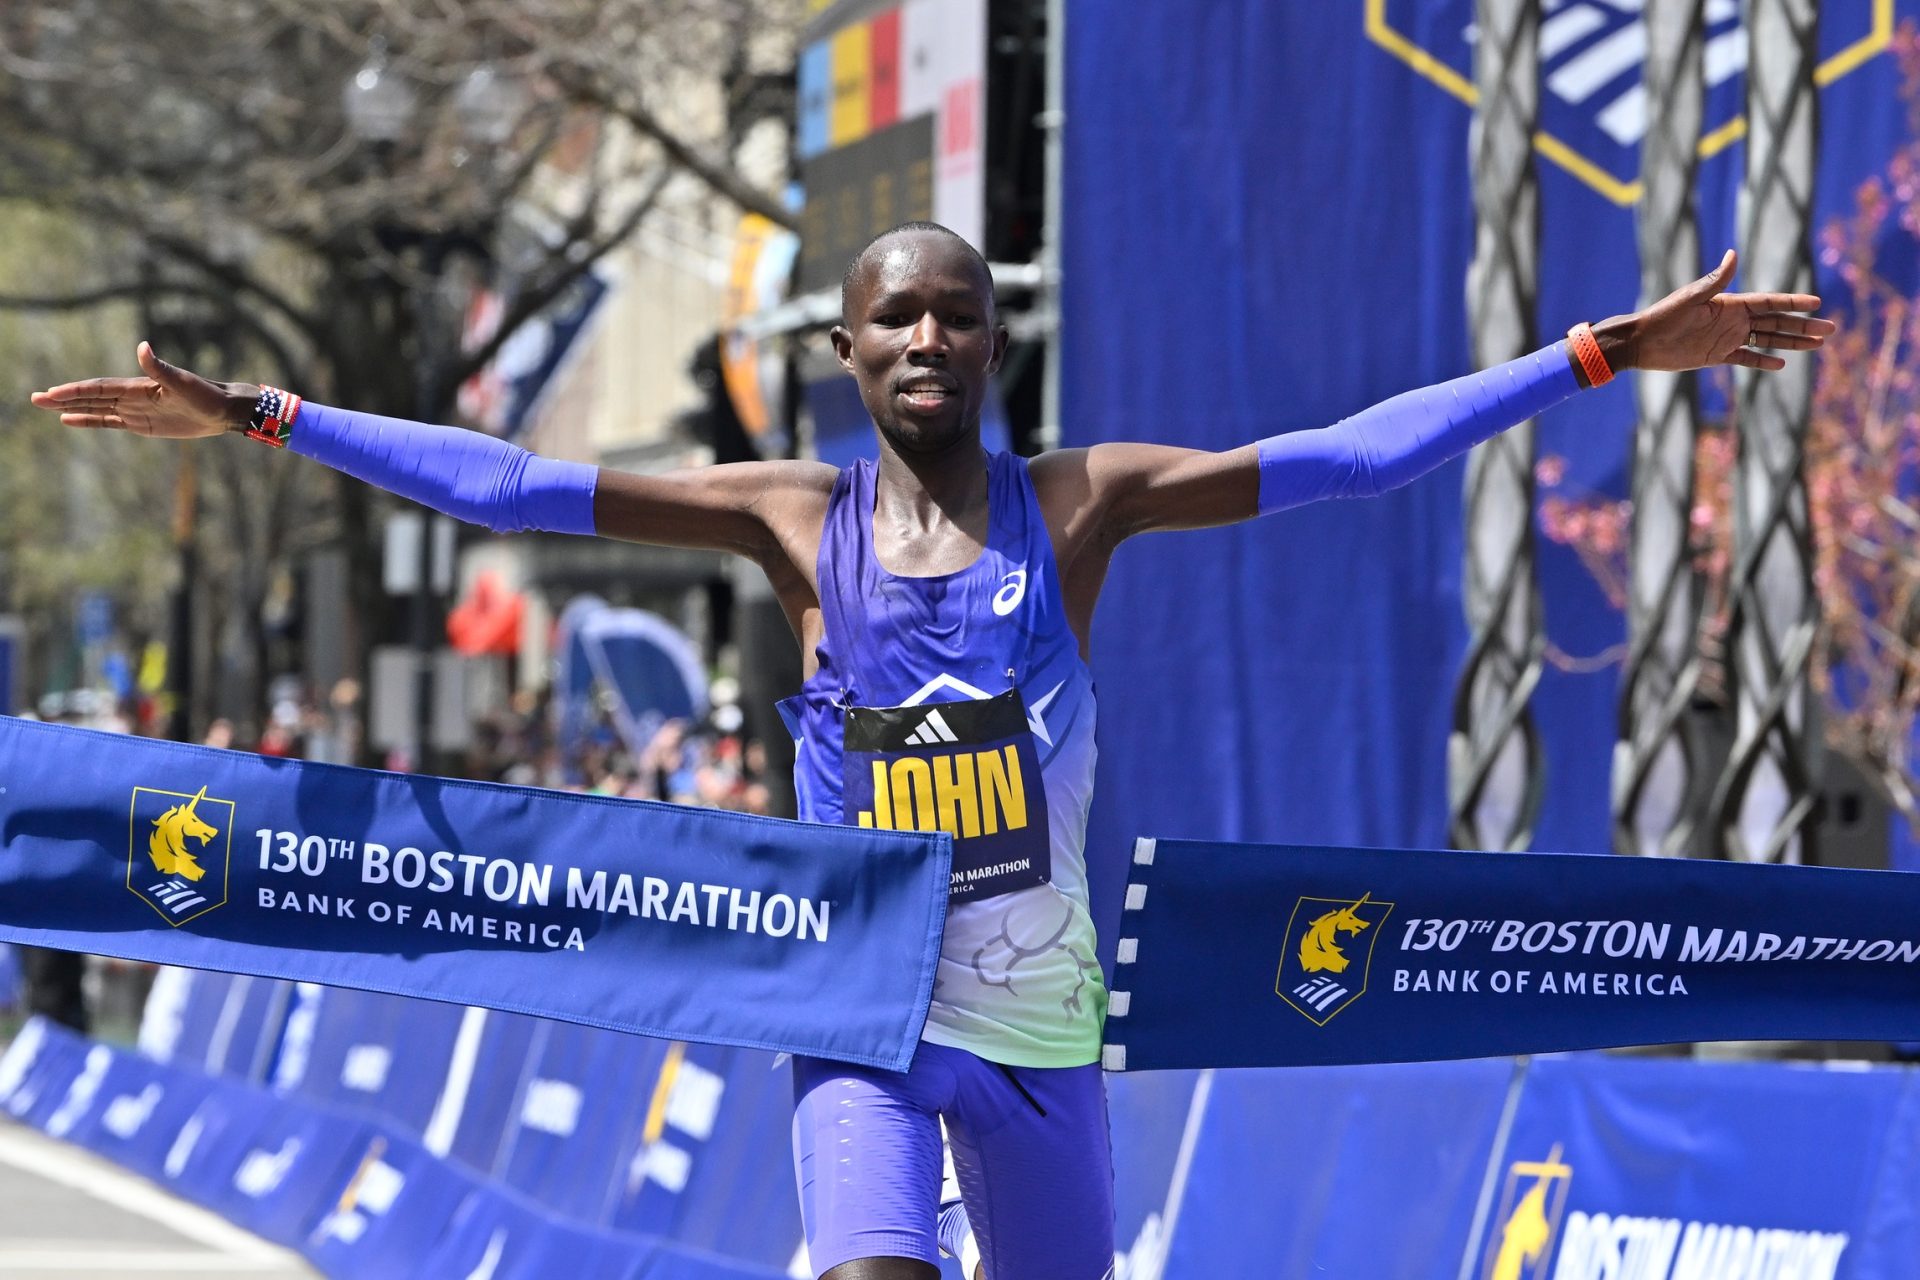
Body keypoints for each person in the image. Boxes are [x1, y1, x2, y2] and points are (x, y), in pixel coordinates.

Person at [30, 224, 1830, 1279]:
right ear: (844, 346)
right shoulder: (783, 521)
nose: (927, 339)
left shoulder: (1085, 506)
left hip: (1043, 1032)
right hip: (862, 1026)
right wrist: (259, 413)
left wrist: (1599, 353)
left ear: (992, 341)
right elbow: (503, 479)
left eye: (958, 315)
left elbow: (1362, 453)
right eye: (895, 315)